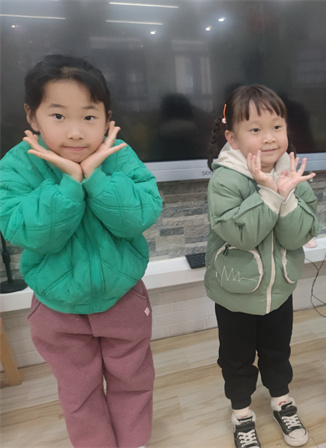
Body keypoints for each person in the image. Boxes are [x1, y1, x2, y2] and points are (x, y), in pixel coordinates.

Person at [0, 55, 162, 448]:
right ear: (32, 116)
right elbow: (26, 232)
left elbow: (139, 216)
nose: (75, 132)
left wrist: (96, 176)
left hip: (122, 298)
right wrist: (70, 183)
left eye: (89, 117)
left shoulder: (119, 153)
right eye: (58, 115)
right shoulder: (17, 165)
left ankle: (134, 441)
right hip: (57, 307)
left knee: (133, 379)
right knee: (78, 390)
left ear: (107, 118)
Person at [205, 85, 321, 448]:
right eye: (255, 129)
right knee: (236, 357)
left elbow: (300, 234)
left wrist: (287, 195)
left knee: (277, 351)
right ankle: (241, 412)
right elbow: (241, 235)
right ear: (232, 138)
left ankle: (281, 400)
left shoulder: (292, 171)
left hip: (279, 289)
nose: (269, 138)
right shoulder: (225, 178)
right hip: (236, 292)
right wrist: (270, 193)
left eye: (277, 127)